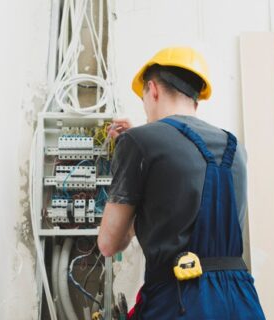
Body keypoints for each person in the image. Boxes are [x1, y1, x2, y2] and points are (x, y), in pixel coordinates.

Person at [98, 47, 265, 319]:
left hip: (180, 302)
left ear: (152, 90)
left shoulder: (138, 142)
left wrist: (132, 152)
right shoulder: (236, 150)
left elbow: (109, 244)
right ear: (195, 101)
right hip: (242, 302)